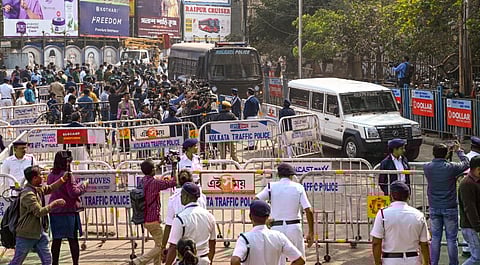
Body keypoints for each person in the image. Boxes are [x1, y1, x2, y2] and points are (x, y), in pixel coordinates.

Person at [255, 163, 314, 265]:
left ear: (278, 175)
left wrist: (265, 219)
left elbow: (255, 201)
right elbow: (308, 210)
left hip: (276, 228)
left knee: (277, 261)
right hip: (294, 228)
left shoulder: (271, 186)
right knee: (299, 260)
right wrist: (311, 233)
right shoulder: (298, 187)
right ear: (291, 176)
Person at [9, 166, 68, 265]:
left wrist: (62, 179)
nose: (43, 177)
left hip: (39, 234)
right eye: (40, 175)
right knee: (16, 262)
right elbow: (39, 212)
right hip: (26, 235)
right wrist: (54, 203)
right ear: (34, 178)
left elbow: (50, 188)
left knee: (47, 260)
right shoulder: (28, 194)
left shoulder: (37, 189)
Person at [423, 141, 470, 265]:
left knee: (435, 238)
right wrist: (459, 150)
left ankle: (434, 262)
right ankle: (453, 263)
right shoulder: (451, 168)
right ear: (446, 154)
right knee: (451, 239)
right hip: (450, 207)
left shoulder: (427, 167)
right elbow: (466, 163)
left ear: (433, 154)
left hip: (434, 206)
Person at [370, 181, 430, 265]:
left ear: (391, 196)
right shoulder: (419, 215)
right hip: (412, 260)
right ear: (408, 196)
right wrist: (426, 262)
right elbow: (424, 243)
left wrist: (377, 262)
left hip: (390, 260)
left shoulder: (383, 214)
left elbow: (376, 242)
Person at [130, 159, 177, 265]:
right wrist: (174, 168)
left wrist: (160, 164)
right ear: (152, 171)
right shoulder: (155, 182)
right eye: (154, 168)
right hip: (153, 219)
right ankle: (139, 261)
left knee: (157, 244)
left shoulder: (142, 181)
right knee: (161, 246)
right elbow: (173, 182)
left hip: (144, 218)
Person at [231, 200, 305, 265]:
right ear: (268, 217)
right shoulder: (279, 236)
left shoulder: (244, 238)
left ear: (250, 217)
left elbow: (235, 261)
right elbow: (300, 260)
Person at [47, 151, 88, 265]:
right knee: (72, 240)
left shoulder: (51, 175)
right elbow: (73, 193)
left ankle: (55, 263)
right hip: (68, 211)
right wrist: (83, 186)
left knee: (56, 240)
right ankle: (75, 263)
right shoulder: (68, 175)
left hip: (55, 211)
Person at [165, 183, 217, 265]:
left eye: (181, 195)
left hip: (185, 262)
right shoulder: (210, 216)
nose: (180, 197)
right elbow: (212, 243)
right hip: (204, 260)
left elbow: (173, 247)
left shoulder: (180, 219)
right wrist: (209, 261)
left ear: (186, 196)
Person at [162, 170, 207, 256]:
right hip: (201, 249)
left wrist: (163, 247)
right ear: (192, 180)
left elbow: (168, 225)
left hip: (181, 249)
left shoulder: (174, 200)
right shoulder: (201, 197)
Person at [458, 156, 480, 265]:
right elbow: (469, 208)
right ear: (478, 169)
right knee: (477, 257)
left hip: (473, 226)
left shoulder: (474, 181)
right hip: (470, 227)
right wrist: (477, 226)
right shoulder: (467, 184)